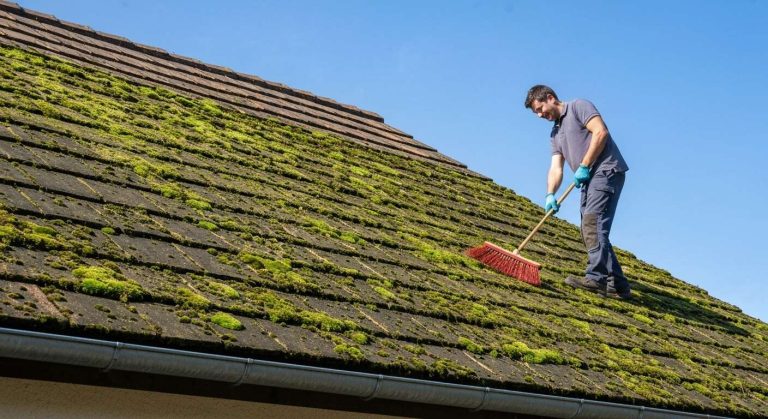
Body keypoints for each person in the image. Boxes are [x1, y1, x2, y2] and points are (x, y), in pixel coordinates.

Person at [524, 85, 631, 299]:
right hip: (588, 179)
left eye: (539, 109)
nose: (539, 115)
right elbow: (556, 167)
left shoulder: (578, 107)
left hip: (606, 170)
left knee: (592, 223)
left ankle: (596, 278)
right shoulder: (555, 133)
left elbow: (600, 132)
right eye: (535, 112)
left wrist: (584, 165)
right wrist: (550, 195)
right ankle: (617, 285)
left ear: (550, 98)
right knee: (588, 228)